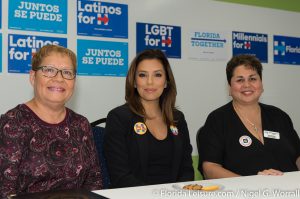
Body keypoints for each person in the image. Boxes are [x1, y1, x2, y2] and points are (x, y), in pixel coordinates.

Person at [0, 45, 102, 198]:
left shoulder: (81, 124)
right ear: (33, 77)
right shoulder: (13, 123)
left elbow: (94, 182)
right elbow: (5, 192)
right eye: (49, 70)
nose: (59, 78)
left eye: (67, 72)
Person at [198, 54, 300, 179]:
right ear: (230, 88)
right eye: (240, 80)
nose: (247, 85)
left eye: (252, 79)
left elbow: (297, 157)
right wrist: (250, 183)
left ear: (261, 84)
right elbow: (210, 168)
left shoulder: (279, 116)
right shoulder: (218, 120)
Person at [104, 49, 194, 188]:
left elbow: (187, 170)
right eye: (142, 75)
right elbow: (120, 177)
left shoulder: (177, 118)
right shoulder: (119, 118)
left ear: (166, 82)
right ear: (134, 81)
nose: (150, 82)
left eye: (157, 75)